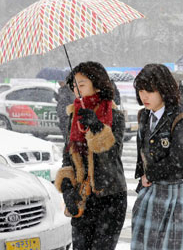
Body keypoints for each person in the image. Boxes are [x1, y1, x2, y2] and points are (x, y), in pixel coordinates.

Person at [54, 61, 127, 250]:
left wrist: (97, 127)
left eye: (82, 84)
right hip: (83, 198)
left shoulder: (115, 115)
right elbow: (68, 154)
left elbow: (112, 155)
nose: (76, 89)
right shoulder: (75, 115)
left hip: (110, 197)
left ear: (97, 84)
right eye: (74, 85)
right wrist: (68, 186)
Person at [131, 64, 183, 250]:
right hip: (152, 191)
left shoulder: (182, 118)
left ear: (163, 89)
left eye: (150, 91)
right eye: (141, 90)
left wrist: (150, 175)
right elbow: (142, 153)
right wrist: (142, 180)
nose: (144, 96)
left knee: (175, 245)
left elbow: (177, 158)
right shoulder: (144, 116)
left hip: (179, 193)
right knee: (145, 244)